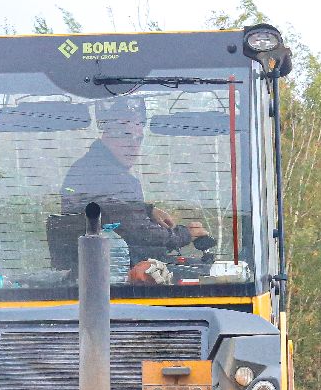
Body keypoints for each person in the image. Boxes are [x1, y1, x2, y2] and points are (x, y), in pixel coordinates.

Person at [60, 96, 209, 264]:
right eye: (125, 135)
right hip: (108, 277)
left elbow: (111, 210)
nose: (133, 145)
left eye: (138, 139)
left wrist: (147, 210)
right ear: (106, 134)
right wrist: (185, 234)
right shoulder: (102, 174)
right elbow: (139, 233)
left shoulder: (96, 168)